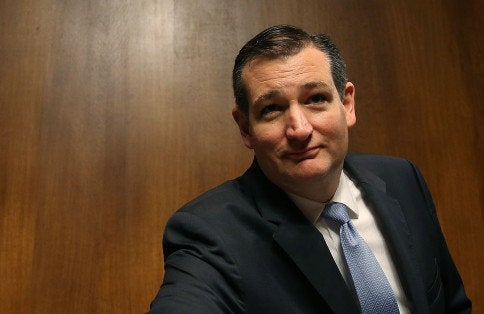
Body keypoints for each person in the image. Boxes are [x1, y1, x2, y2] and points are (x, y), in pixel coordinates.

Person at [149, 25, 471, 313]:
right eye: (272, 109)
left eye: (315, 98)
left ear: (346, 104)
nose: (300, 129)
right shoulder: (209, 232)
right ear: (246, 128)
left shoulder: (403, 179)